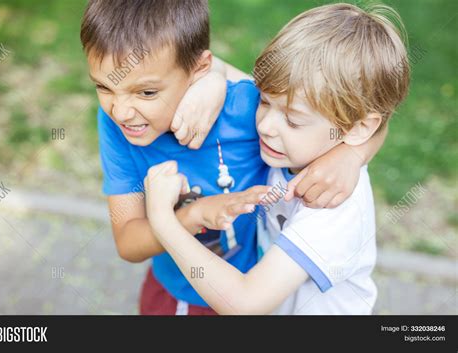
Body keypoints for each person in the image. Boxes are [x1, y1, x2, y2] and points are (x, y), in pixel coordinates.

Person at [81, 0, 385, 315]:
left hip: (240, 294)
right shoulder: (117, 124)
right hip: (177, 293)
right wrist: (190, 216)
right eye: (103, 88)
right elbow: (128, 242)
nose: (121, 111)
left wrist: (354, 153)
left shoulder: (253, 111)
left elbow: (357, 121)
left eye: (146, 93)